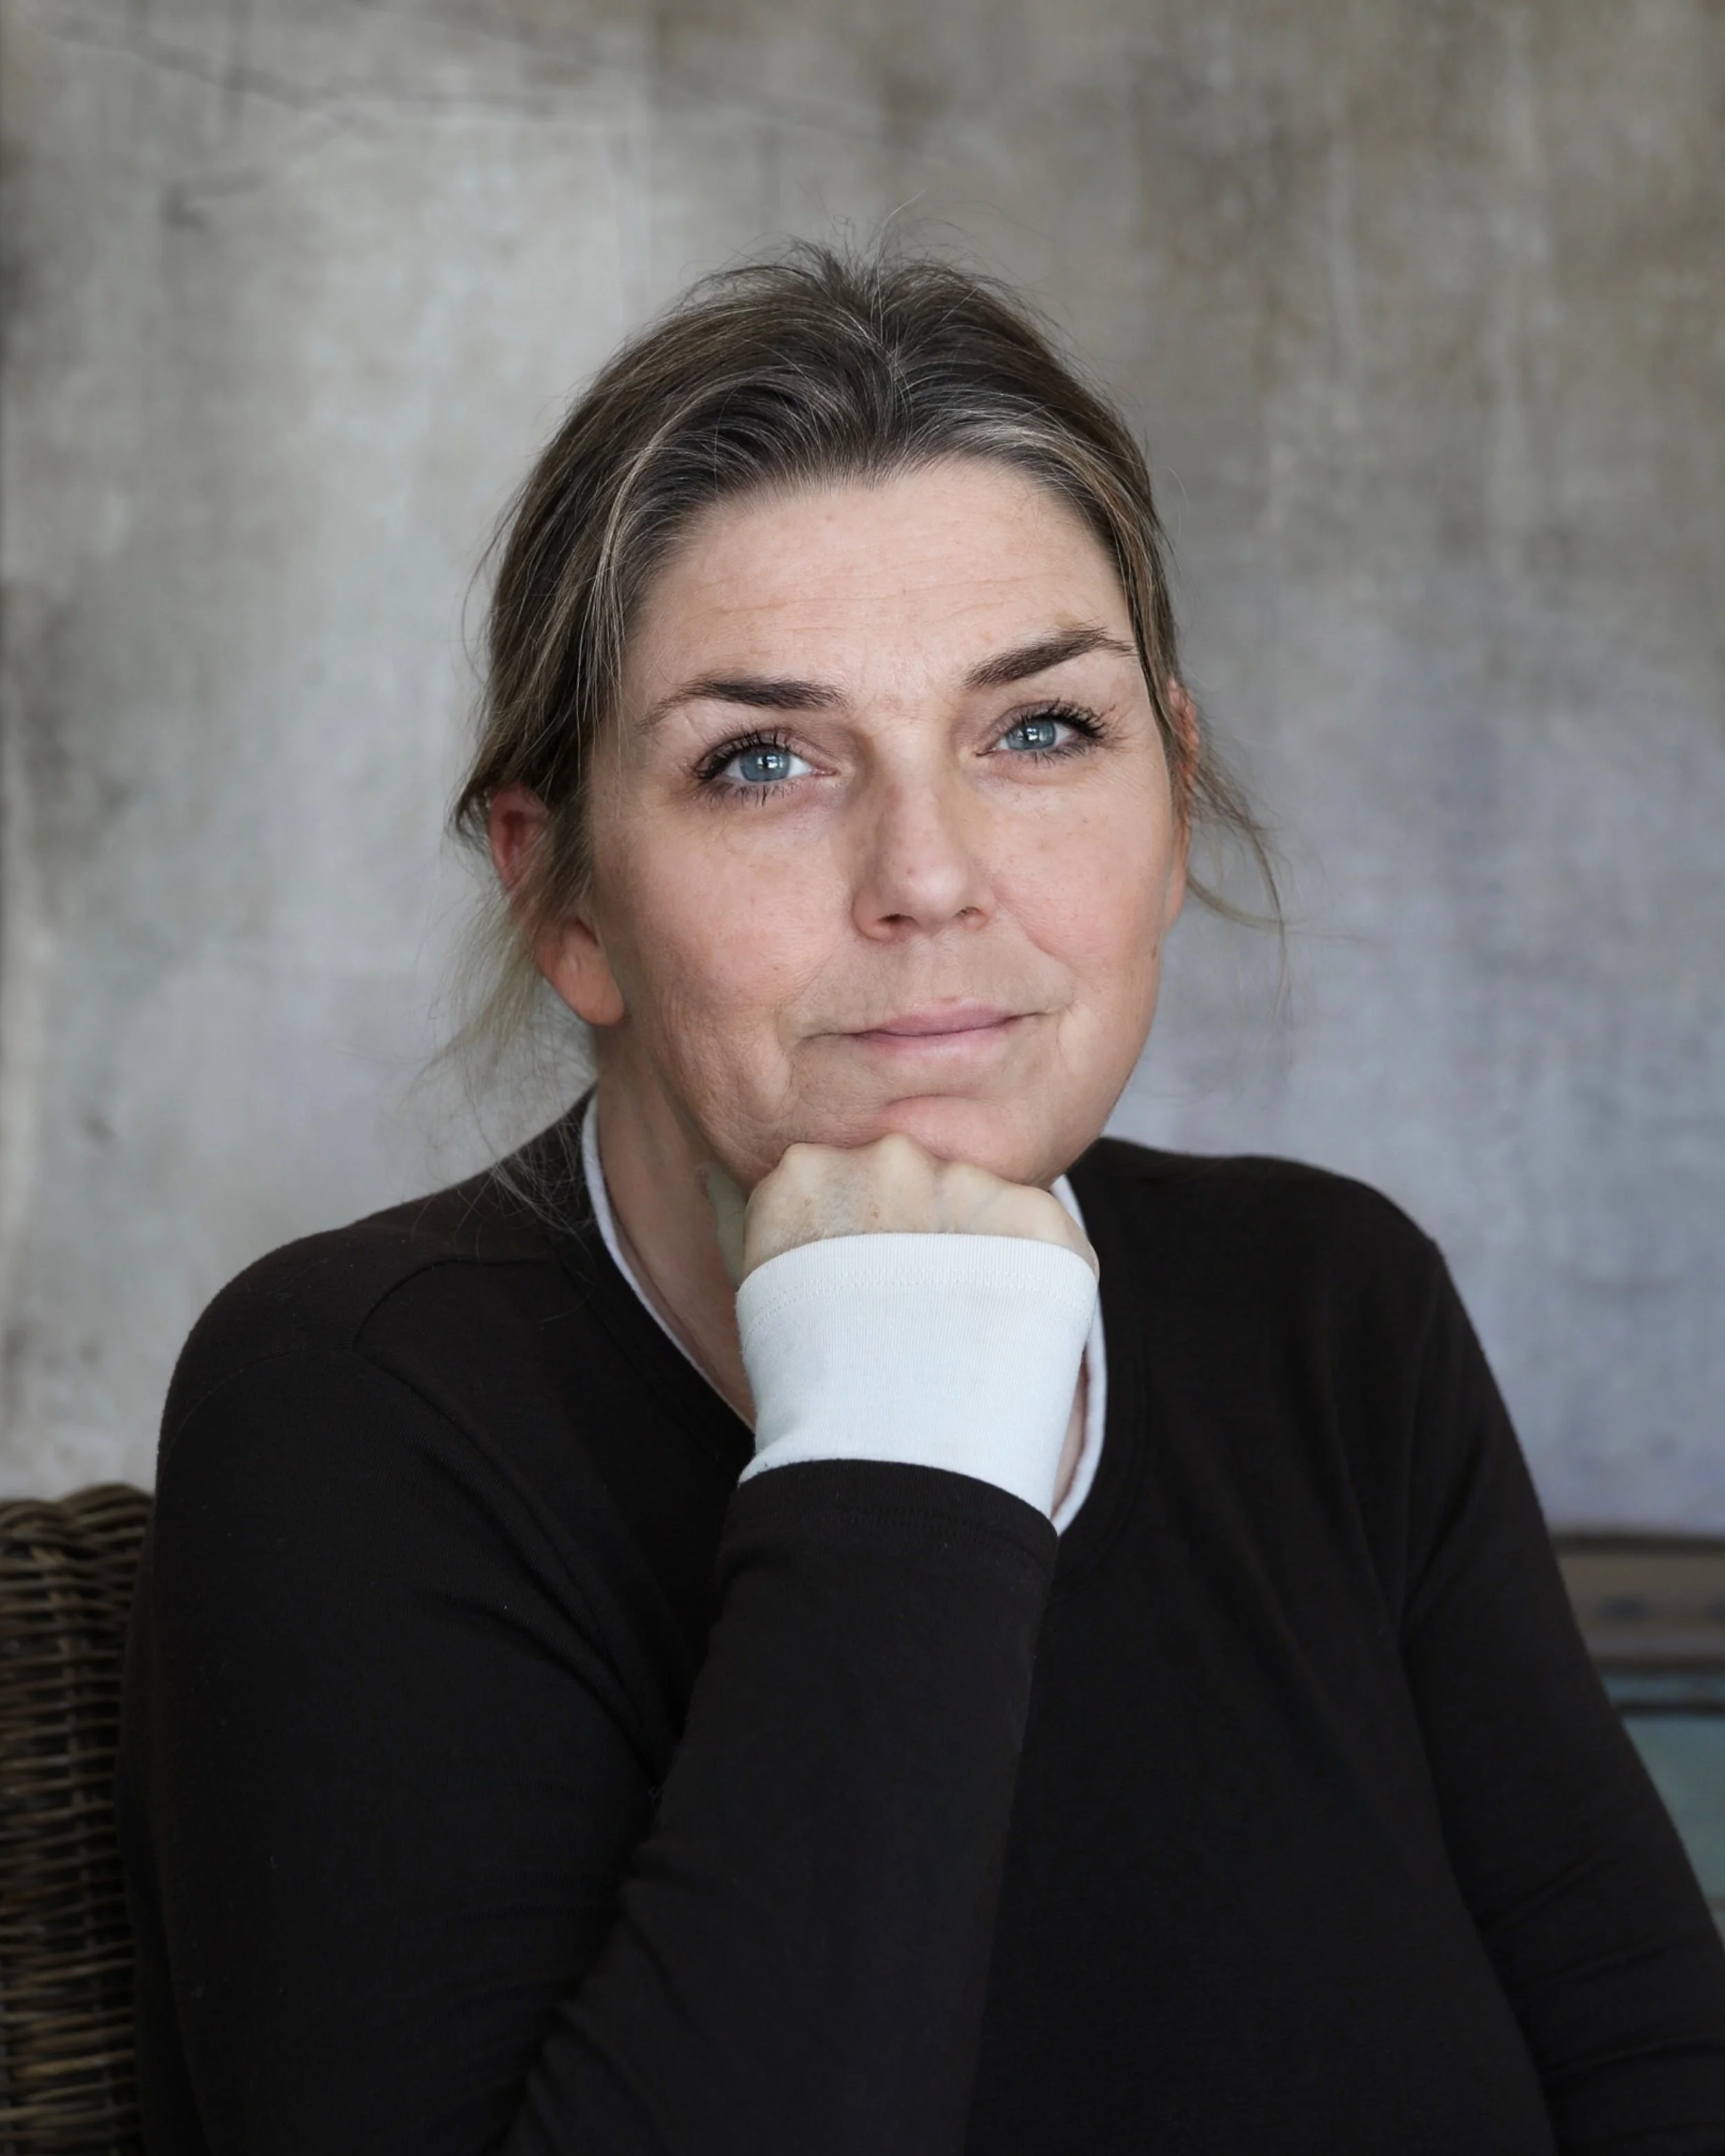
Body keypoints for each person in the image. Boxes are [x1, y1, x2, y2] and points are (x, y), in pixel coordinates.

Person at [117, 244, 1725, 2156]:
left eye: (1038, 730)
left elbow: (1652, 2072)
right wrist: (901, 1444)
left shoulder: (1326, 1305)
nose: (928, 875)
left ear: (1172, 788)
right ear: (562, 896)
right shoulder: (347, 1404)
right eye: (762, 761)